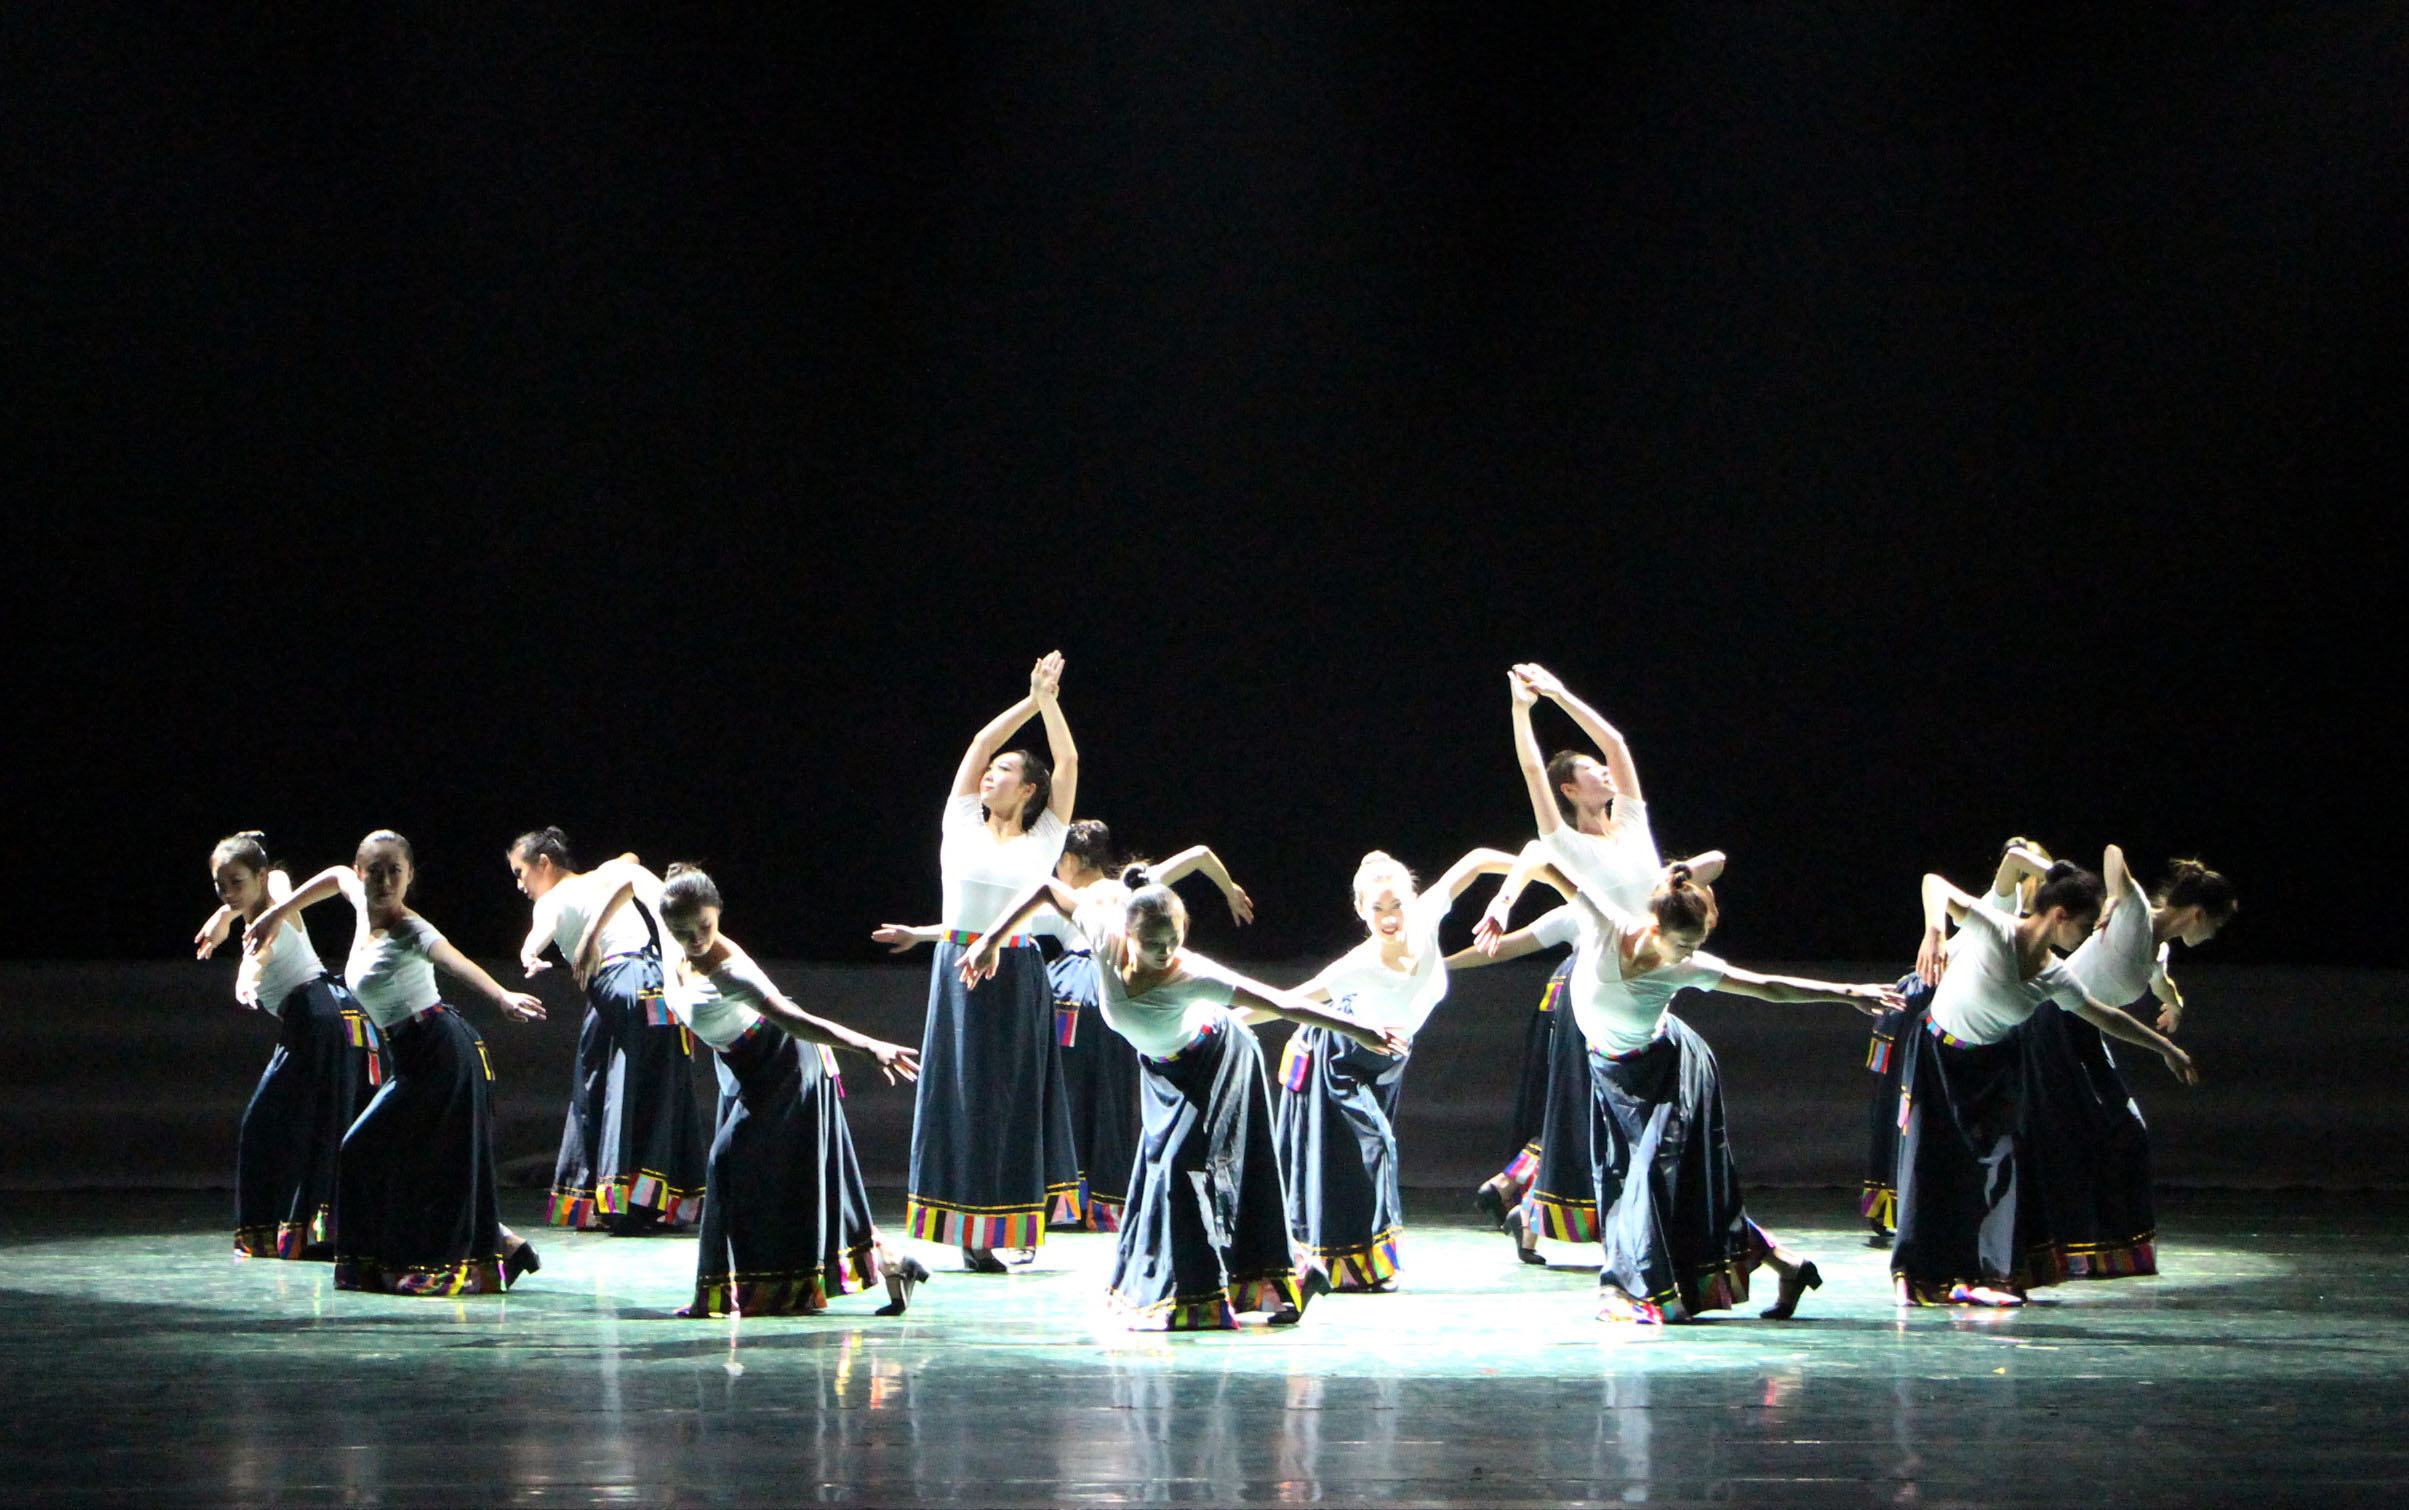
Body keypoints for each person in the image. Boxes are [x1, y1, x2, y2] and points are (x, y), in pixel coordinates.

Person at [965, 865, 1408, 1329]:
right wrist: (990, 940)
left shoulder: (1191, 973)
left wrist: (1359, 1030)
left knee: (1184, 1172)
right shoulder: (1103, 934)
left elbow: (1280, 1002)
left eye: (1173, 940)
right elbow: (1044, 887)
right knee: (1161, 1173)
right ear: (1128, 934)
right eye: (1153, 943)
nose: (1165, 952)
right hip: (1163, 1069)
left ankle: (1201, 1300)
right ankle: (1296, 1276)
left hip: (1217, 1058)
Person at [1553, 864, 1900, 1324]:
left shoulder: (1686, 967)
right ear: (1655, 928)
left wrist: (1847, 991)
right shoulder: (1603, 925)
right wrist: (1503, 900)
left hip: (1670, 1071)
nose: (1689, 955)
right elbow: (1540, 858)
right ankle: (1788, 1265)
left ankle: (1638, 1295)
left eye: (1696, 945)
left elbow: (1767, 987)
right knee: (1648, 1187)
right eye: (1683, 944)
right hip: (1611, 1074)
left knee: (1648, 1181)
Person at [875, 818, 1254, 1233]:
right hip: (1118, 999)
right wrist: (1229, 889)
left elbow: (995, 924)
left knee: (1059, 1094)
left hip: (1069, 995)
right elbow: (1200, 854)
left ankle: (1059, 1195)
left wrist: (920, 934)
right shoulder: (1137, 887)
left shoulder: (1073, 902)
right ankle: (1104, 1201)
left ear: (1070, 859)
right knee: (1107, 1095)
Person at [1468, 664, 1724, 1261]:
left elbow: (1616, 742)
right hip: (1598, 988)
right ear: (1568, 790)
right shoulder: (1563, 842)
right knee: (1589, 1111)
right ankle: (1579, 1223)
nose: (1604, 771)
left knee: (1616, 1115)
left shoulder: (1632, 823)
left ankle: (1541, 1214)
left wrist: (1560, 693)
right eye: (1589, 771)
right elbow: (1533, 771)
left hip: (1650, 981)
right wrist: (1522, 709)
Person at [598, 865, 930, 1317]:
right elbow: (632, 874)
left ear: (717, 913)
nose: (695, 939)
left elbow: (795, 1020)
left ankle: (717, 1296)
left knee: (725, 1163)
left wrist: (870, 1046)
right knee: (779, 1181)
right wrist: (589, 941)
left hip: (783, 1061)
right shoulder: (670, 928)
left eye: (704, 927)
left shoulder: (731, 972)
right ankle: (893, 1263)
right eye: (682, 931)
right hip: (744, 1065)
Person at [244, 831, 546, 1295]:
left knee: (382, 1152)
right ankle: (504, 1245)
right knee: (385, 1153)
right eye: (375, 872)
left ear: (409, 877)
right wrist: (274, 914)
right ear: (362, 873)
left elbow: (453, 960)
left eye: (395, 872)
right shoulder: (361, 904)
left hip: (439, 1051)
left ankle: (441, 1267)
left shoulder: (411, 928)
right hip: (410, 1055)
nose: (384, 882)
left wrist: (502, 995)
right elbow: (334, 877)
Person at [1891, 863, 2200, 1306]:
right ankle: (1916, 1277)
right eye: (2085, 926)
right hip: (1938, 1055)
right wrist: (1934, 932)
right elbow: (1935, 884)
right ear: (2059, 915)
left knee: (2005, 1165)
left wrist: (2165, 1048)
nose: (2089, 936)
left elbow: (2106, 1016)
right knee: (1933, 1164)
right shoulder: (1996, 929)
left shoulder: (2055, 974)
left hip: (1994, 1066)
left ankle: (1992, 1275)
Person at [899, 652, 1082, 1271]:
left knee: (1011, 1098)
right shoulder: (959, 823)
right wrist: (1030, 699)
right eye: (991, 770)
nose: (989, 776)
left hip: (1017, 974)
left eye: (1005, 771)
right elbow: (980, 743)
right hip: (958, 971)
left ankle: (1012, 1222)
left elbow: (1067, 763)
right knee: (960, 1096)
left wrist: (1051, 706)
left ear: (1029, 790)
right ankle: (966, 1228)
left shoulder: (1046, 837)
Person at [1274, 845, 1513, 1290]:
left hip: (1386, 1061)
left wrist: (1528, 877)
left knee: (1355, 1162)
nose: (1389, 917)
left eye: (1397, 904)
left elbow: (1478, 860)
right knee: (1375, 1146)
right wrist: (1224, 1016)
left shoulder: (1427, 915)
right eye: (1377, 908)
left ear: (1413, 900)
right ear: (1361, 911)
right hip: (1340, 1057)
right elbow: (1288, 1002)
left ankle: (1350, 1267)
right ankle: (1377, 1263)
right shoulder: (1357, 965)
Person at [2019, 848, 2237, 1284]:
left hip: (2084, 1031)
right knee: (2080, 1134)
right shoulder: (2134, 911)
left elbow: (2160, 980)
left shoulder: (2159, 949)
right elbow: (2112, 855)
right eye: (2214, 925)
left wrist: (2174, 1005)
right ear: (2197, 914)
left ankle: (2108, 1249)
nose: (2213, 935)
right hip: (2053, 1025)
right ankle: (2061, 1248)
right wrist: (2116, 898)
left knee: (2126, 1131)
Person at [509, 828, 709, 1233]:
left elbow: (540, 930)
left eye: (520, 872)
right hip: (650, 984)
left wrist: (530, 951)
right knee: (640, 1083)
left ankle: (623, 1203)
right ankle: (643, 1201)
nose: (519, 885)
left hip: (622, 986)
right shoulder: (605, 875)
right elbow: (630, 860)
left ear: (543, 863)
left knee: (617, 1086)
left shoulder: (552, 898)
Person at [192, 832, 379, 1260]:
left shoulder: (266, 924)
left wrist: (247, 977)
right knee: (305, 1123)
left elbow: (260, 952)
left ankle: (289, 1233)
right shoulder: (277, 891)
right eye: (220, 885)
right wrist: (225, 913)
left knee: (268, 1124)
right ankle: (312, 1232)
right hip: (337, 1016)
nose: (228, 893)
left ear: (258, 877)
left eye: (236, 883)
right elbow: (273, 880)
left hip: (318, 1020)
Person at [1860, 838, 2050, 1241]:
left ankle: (1929, 1209)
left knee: (1938, 1116)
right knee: (1915, 1113)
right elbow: (2010, 861)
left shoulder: (2031, 929)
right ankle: (1910, 1209)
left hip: (1946, 1016)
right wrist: (2062, 876)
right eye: (2037, 877)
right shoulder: (2004, 905)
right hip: (1925, 1005)